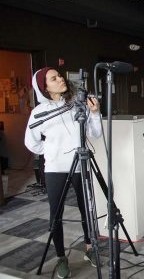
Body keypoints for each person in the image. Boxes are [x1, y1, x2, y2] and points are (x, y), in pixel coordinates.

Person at [25, 67, 102, 278]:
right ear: (44, 87)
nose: (60, 79)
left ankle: (90, 248)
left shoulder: (75, 104)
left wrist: (94, 113)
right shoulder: (39, 112)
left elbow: (95, 133)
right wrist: (51, 152)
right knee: (55, 215)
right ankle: (61, 257)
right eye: (54, 78)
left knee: (86, 209)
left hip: (79, 166)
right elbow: (30, 142)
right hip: (55, 169)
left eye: (59, 75)